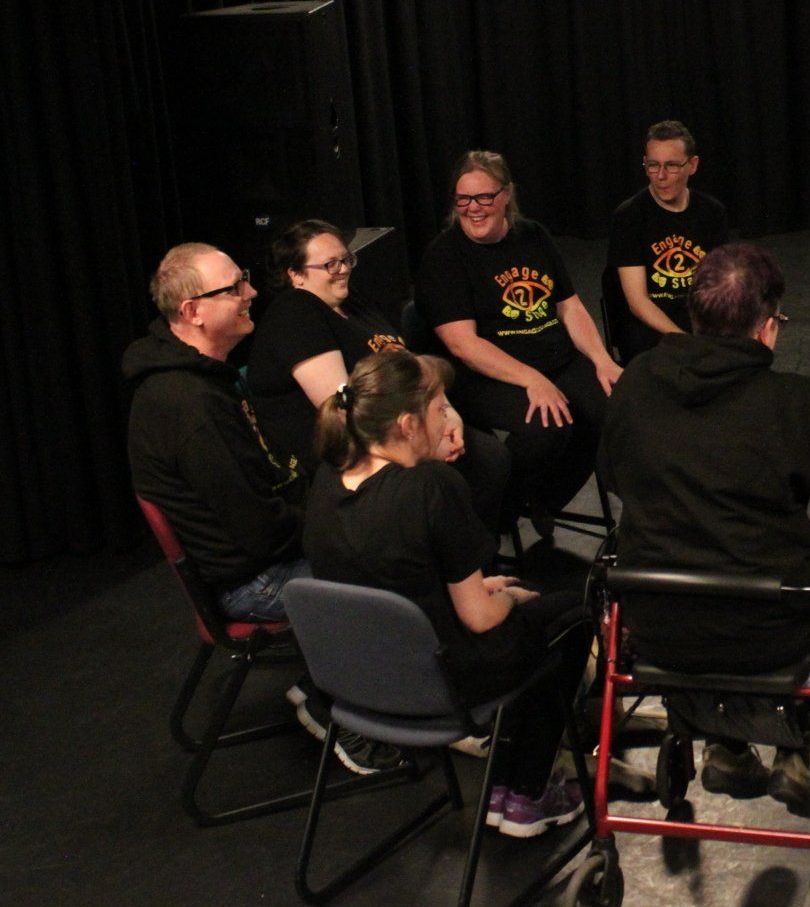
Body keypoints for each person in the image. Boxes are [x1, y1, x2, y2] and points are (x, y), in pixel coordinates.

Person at [599, 243, 810, 814]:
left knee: (704, 585)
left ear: (692, 315)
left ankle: (728, 749)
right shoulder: (793, 404)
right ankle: (792, 752)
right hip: (770, 631)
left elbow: (611, 475)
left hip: (656, 624)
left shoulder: (636, 384)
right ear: (765, 328)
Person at [303, 349, 592, 837]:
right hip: (436, 682)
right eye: (440, 411)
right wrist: (505, 599)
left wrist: (480, 590)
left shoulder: (326, 481)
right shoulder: (431, 487)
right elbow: (480, 619)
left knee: (516, 604)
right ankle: (524, 793)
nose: (447, 420)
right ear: (407, 424)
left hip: (361, 678)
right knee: (569, 615)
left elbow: (395, 576)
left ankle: (515, 778)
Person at [248, 219, 509, 527]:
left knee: (485, 454)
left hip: (407, 425)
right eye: (330, 264)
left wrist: (447, 413)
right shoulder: (296, 312)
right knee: (475, 466)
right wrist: (424, 439)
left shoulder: (350, 302)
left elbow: (411, 366)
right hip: (357, 458)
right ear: (295, 274)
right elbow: (348, 410)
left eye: (346, 259)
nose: (344, 269)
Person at [415, 151, 621, 535]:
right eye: (463, 199)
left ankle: (545, 499)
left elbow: (569, 305)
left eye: (484, 198)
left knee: (611, 409)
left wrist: (600, 359)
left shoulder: (534, 236)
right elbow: (463, 345)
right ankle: (495, 514)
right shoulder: (444, 256)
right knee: (548, 427)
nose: (473, 208)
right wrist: (531, 379)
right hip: (486, 374)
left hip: (555, 358)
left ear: (506, 195)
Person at [125, 243, 306, 622]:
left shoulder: (204, 379)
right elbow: (261, 533)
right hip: (251, 580)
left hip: (261, 557)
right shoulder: (190, 405)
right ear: (193, 312)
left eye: (245, 280)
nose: (251, 293)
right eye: (234, 288)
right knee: (390, 559)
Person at [602, 120, 733, 362]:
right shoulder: (629, 216)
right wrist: (686, 340)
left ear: (692, 165)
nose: (660, 176)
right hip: (650, 328)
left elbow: (720, 283)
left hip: (699, 321)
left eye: (671, 166)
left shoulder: (712, 212)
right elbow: (638, 302)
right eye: (653, 166)